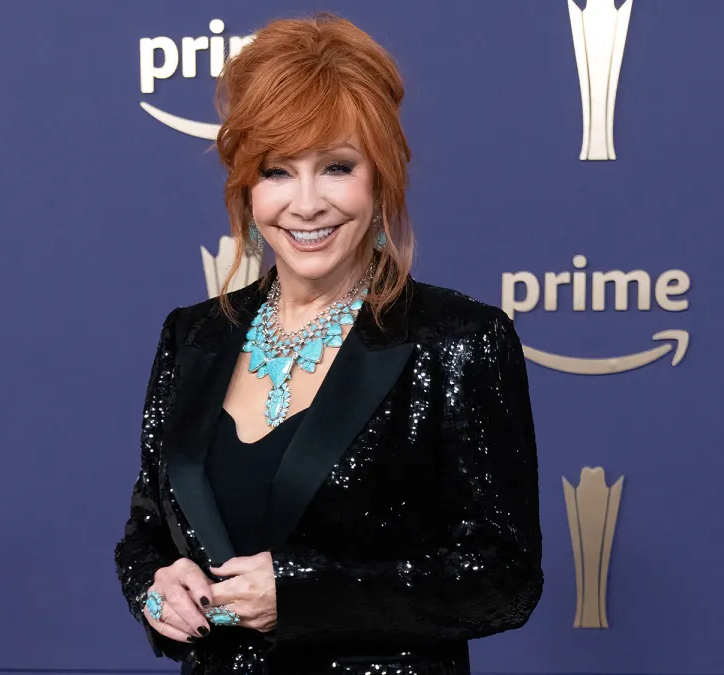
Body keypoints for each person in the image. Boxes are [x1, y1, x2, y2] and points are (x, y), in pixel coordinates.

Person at [114, 13, 542, 675]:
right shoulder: (192, 336)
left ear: (381, 176)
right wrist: (158, 586)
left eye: (337, 167)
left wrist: (304, 592)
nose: (306, 204)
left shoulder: (456, 342)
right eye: (278, 171)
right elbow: (147, 529)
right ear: (246, 185)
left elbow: (503, 577)